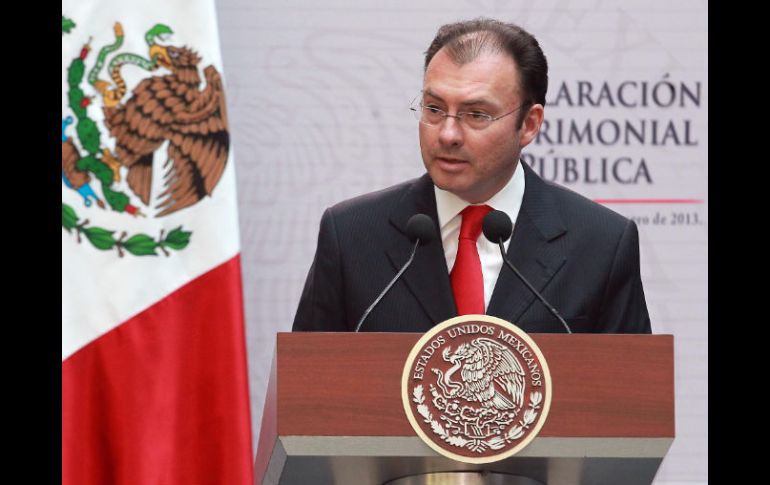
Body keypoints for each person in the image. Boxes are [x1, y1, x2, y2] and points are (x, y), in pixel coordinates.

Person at [292, 18, 651, 334]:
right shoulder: (353, 236)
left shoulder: (599, 244)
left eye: (476, 115)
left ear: (529, 125)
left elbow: (630, 400)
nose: (447, 134)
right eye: (434, 109)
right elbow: (306, 390)